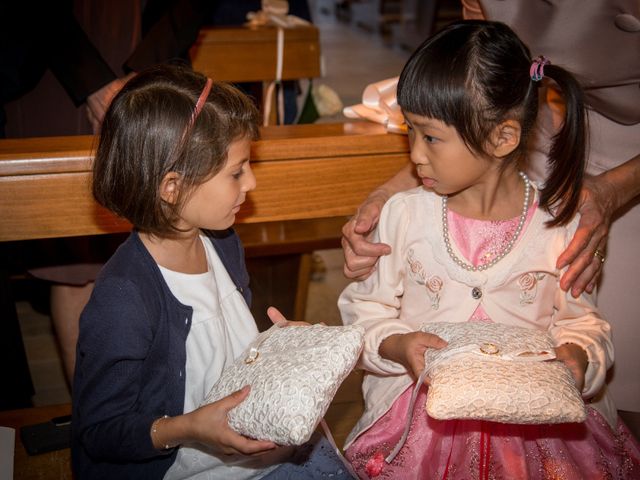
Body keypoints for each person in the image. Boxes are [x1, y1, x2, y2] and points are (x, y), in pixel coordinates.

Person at [337, 21, 640, 478]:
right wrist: (397, 345)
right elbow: (365, 312)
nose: (415, 154)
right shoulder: (404, 216)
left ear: (503, 137)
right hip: (423, 428)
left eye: (431, 137)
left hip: (540, 434)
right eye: (410, 131)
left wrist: (579, 357)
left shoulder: (557, 223)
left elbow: (582, 321)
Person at [71, 64, 353, 479]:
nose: (252, 183)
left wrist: (280, 351)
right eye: (237, 171)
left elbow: (224, 354)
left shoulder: (220, 242)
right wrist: (189, 427)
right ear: (172, 188)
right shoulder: (124, 298)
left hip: (249, 452)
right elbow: (99, 432)